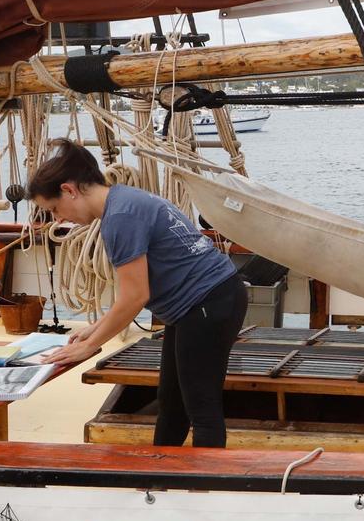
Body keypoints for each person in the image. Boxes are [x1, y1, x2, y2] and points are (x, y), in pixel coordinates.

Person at [28, 140, 243, 448]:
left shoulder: (120, 218)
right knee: (171, 403)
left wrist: (89, 347)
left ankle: (205, 490)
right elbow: (132, 295)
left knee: (201, 407)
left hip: (208, 302)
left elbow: (135, 296)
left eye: (54, 209)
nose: (59, 219)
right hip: (200, 304)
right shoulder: (123, 201)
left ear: (69, 190)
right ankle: (158, 481)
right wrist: (96, 328)